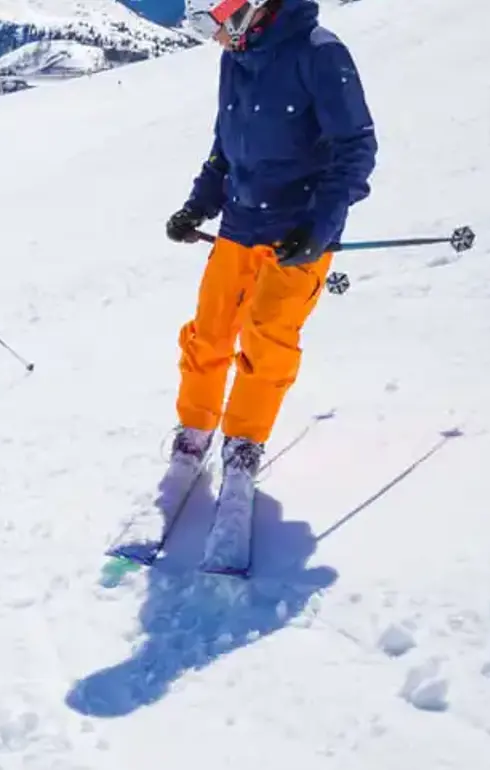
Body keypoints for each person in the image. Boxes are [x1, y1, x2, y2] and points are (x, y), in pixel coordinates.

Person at [165, 0, 376, 569]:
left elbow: (356, 151)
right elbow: (224, 147)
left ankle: (242, 451)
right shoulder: (237, 56)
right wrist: (198, 206)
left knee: (265, 340)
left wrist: (319, 229)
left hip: (296, 234)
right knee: (208, 334)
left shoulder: (320, 54)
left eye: (216, 21)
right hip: (240, 223)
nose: (212, 36)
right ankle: (193, 436)